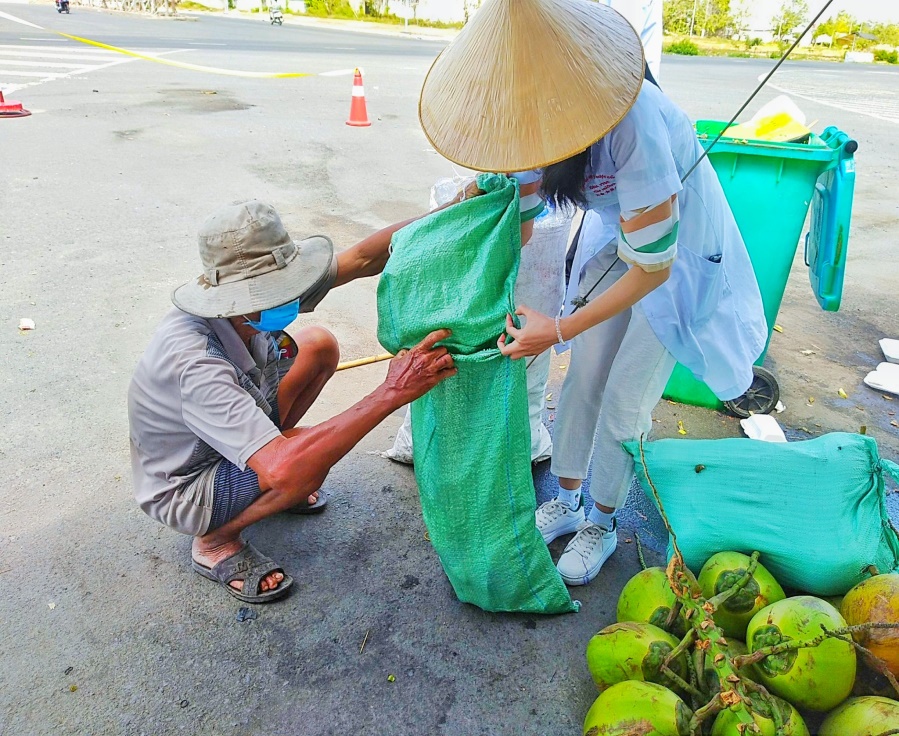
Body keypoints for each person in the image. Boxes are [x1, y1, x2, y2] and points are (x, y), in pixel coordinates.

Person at [418, 0, 767, 586]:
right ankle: (568, 497)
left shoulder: (635, 125)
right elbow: (520, 222)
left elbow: (652, 269)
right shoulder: (525, 122)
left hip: (673, 258)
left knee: (624, 400)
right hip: (616, 245)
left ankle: (602, 522)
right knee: (582, 379)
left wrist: (554, 329)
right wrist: (469, 288)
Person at [128, 199, 459, 603]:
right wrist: (393, 392)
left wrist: (455, 208)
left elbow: (363, 258)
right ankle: (214, 541)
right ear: (235, 298)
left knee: (318, 345)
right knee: (300, 469)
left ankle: (264, 463)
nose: (290, 298)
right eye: (273, 292)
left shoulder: (250, 308)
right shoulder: (195, 362)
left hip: (225, 435)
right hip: (187, 483)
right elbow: (287, 468)